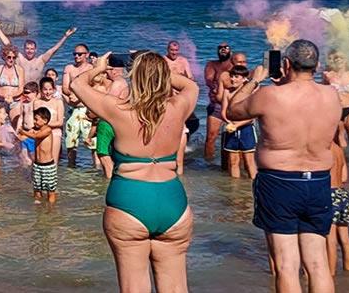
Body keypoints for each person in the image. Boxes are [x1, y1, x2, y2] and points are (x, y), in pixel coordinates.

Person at [67, 50, 197, 291]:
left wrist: (99, 67)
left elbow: (77, 84)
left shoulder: (118, 109)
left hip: (130, 200)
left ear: (134, 76)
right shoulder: (179, 106)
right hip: (173, 200)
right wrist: (159, 71)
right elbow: (189, 85)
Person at [225, 39, 339, 293]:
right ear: (317, 65)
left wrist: (254, 80)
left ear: (286, 64)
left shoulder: (269, 95)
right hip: (319, 180)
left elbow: (232, 111)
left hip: (280, 181)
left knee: (287, 265)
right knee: (318, 264)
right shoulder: (333, 96)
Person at [220, 66, 260, 179]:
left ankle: (252, 187)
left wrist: (237, 125)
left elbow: (253, 116)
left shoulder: (250, 93)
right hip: (231, 129)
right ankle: (235, 191)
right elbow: (223, 112)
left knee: (249, 162)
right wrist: (229, 122)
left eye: (236, 77)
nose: (233, 79)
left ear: (244, 79)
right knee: (233, 161)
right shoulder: (227, 92)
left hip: (246, 129)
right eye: (231, 76)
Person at [202, 43, 235, 163]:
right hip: (216, 105)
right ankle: (208, 164)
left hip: (232, 106)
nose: (223, 49)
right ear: (217, 51)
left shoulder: (234, 65)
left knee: (231, 137)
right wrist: (215, 86)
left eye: (226, 47)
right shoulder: (212, 64)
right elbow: (208, 80)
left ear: (230, 51)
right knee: (211, 137)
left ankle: (227, 166)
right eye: (221, 48)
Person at [21, 108, 59, 205]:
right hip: (37, 165)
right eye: (34, 119)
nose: (34, 121)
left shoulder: (48, 130)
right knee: (37, 189)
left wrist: (23, 131)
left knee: (50, 191)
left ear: (45, 120)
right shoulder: (35, 130)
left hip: (48, 166)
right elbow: (23, 138)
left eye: (36, 119)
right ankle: (38, 210)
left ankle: (50, 210)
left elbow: (36, 137)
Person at [327, 143, 349, 273]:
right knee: (345, 239)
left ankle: (331, 275)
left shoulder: (322, 148)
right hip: (342, 194)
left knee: (330, 240)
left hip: (328, 194)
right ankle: (348, 273)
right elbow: (344, 177)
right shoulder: (338, 149)